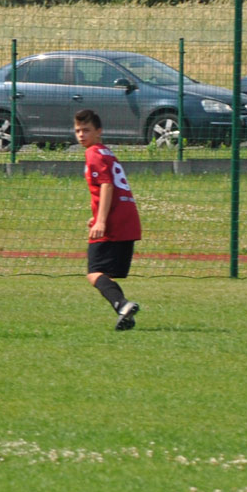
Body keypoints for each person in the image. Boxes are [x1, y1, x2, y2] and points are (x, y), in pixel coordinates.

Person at [74, 109, 142, 331]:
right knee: (107, 274)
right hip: (127, 218)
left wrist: (101, 221)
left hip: (113, 223)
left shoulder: (93, 153)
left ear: (99, 131)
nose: (81, 135)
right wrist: (95, 216)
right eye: (77, 131)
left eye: (86, 130)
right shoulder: (106, 152)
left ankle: (123, 305)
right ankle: (124, 312)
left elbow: (106, 185)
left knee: (94, 272)